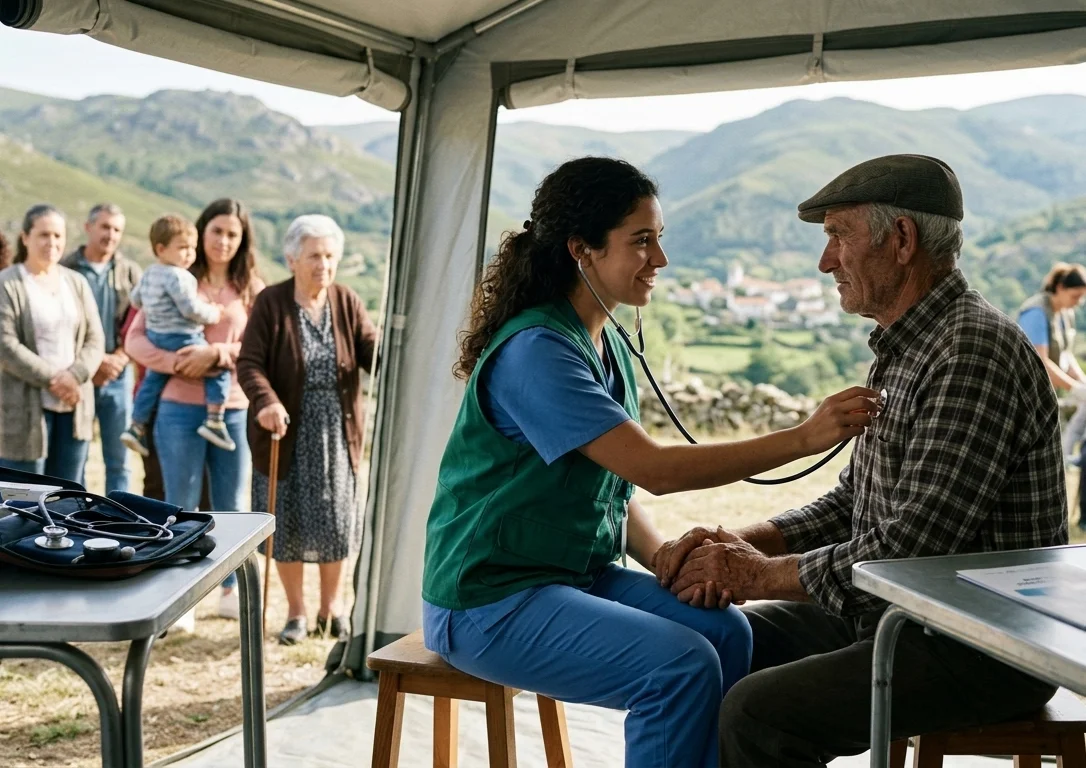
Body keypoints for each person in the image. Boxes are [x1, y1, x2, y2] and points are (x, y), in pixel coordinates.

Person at [420, 157, 878, 768]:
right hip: (487, 600)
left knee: (726, 631)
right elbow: (652, 470)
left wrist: (659, 555)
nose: (659, 259)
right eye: (641, 241)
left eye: (659, 239)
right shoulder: (537, 351)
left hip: (571, 575)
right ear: (582, 249)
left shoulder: (600, 340)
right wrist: (803, 436)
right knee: (678, 667)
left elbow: (607, 479)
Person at [650, 155, 1067, 768]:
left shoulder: (970, 350)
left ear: (901, 241)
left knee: (759, 714)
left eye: (838, 237)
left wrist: (756, 576)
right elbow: (854, 505)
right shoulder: (911, 345)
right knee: (704, 647)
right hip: (897, 617)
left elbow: (910, 547)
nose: (825, 262)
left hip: (978, 646)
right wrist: (738, 542)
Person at [238, 215, 378, 645]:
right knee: (288, 524)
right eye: (315, 255)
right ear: (292, 258)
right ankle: (297, 613)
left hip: (337, 433)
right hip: (285, 430)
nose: (324, 264)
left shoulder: (346, 301)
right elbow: (249, 364)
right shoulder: (271, 303)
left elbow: (371, 349)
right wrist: (267, 402)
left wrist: (396, 358)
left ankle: (330, 608)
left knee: (336, 523)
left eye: (330, 255)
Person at [126, 198, 264, 622]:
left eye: (232, 234)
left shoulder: (251, 288)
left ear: (242, 241)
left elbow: (260, 349)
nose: (223, 241)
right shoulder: (172, 277)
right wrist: (179, 363)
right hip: (177, 408)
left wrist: (218, 353)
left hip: (232, 408)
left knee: (231, 503)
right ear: (201, 234)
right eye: (216, 231)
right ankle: (179, 593)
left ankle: (229, 591)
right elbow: (135, 340)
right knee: (179, 502)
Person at [0, 204, 105, 481]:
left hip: (74, 405)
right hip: (24, 411)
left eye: (58, 236)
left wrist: (75, 376)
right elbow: (5, 345)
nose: (52, 243)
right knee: (23, 502)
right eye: (44, 235)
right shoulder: (7, 284)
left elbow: (95, 339)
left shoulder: (77, 282)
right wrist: (56, 381)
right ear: (25, 237)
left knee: (68, 498)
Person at [121, 215, 234, 456]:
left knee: (152, 382)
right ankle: (215, 420)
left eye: (192, 248)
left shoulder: (150, 273)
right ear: (161, 249)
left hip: (156, 334)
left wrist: (155, 308)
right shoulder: (179, 277)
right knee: (218, 370)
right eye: (183, 248)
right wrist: (215, 313)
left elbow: (135, 300)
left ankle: (135, 426)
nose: (189, 254)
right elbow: (190, 309)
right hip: (181, 336)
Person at [61, 203, 142, 494]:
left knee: (119, 460)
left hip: (118, 376)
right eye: (105, 227)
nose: (111, 235)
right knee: (76, 457)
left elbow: (140, 323)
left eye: (117, 229)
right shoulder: (65, 268)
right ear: (88, 227)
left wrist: (119, 358)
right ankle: (77, 521)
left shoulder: (130, 272)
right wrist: (89, 365)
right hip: (78, 375)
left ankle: (118, 524)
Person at [1017, 263, 1086, 462]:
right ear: (1060, 288)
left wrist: (1082, 383)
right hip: (1028, 396)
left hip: (1049, 392)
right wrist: (1074, 389)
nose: (1077, 302)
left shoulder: (1065, 314)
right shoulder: (1036, 312)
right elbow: (1042, 362)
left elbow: (1065, 355)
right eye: (1075, 296)